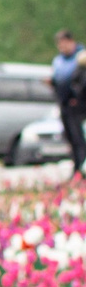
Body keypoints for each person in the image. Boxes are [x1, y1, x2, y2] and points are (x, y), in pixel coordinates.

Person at [55, 30, 86, 177]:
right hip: (64, 104)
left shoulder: (81, 57)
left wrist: (76, 96)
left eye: (64, 43)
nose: (62, 47)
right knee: (71, 138)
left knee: (79, 137)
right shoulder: (59, 60)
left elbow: (79, 81)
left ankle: (81, 167)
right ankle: (77, 168)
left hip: (79, 104)